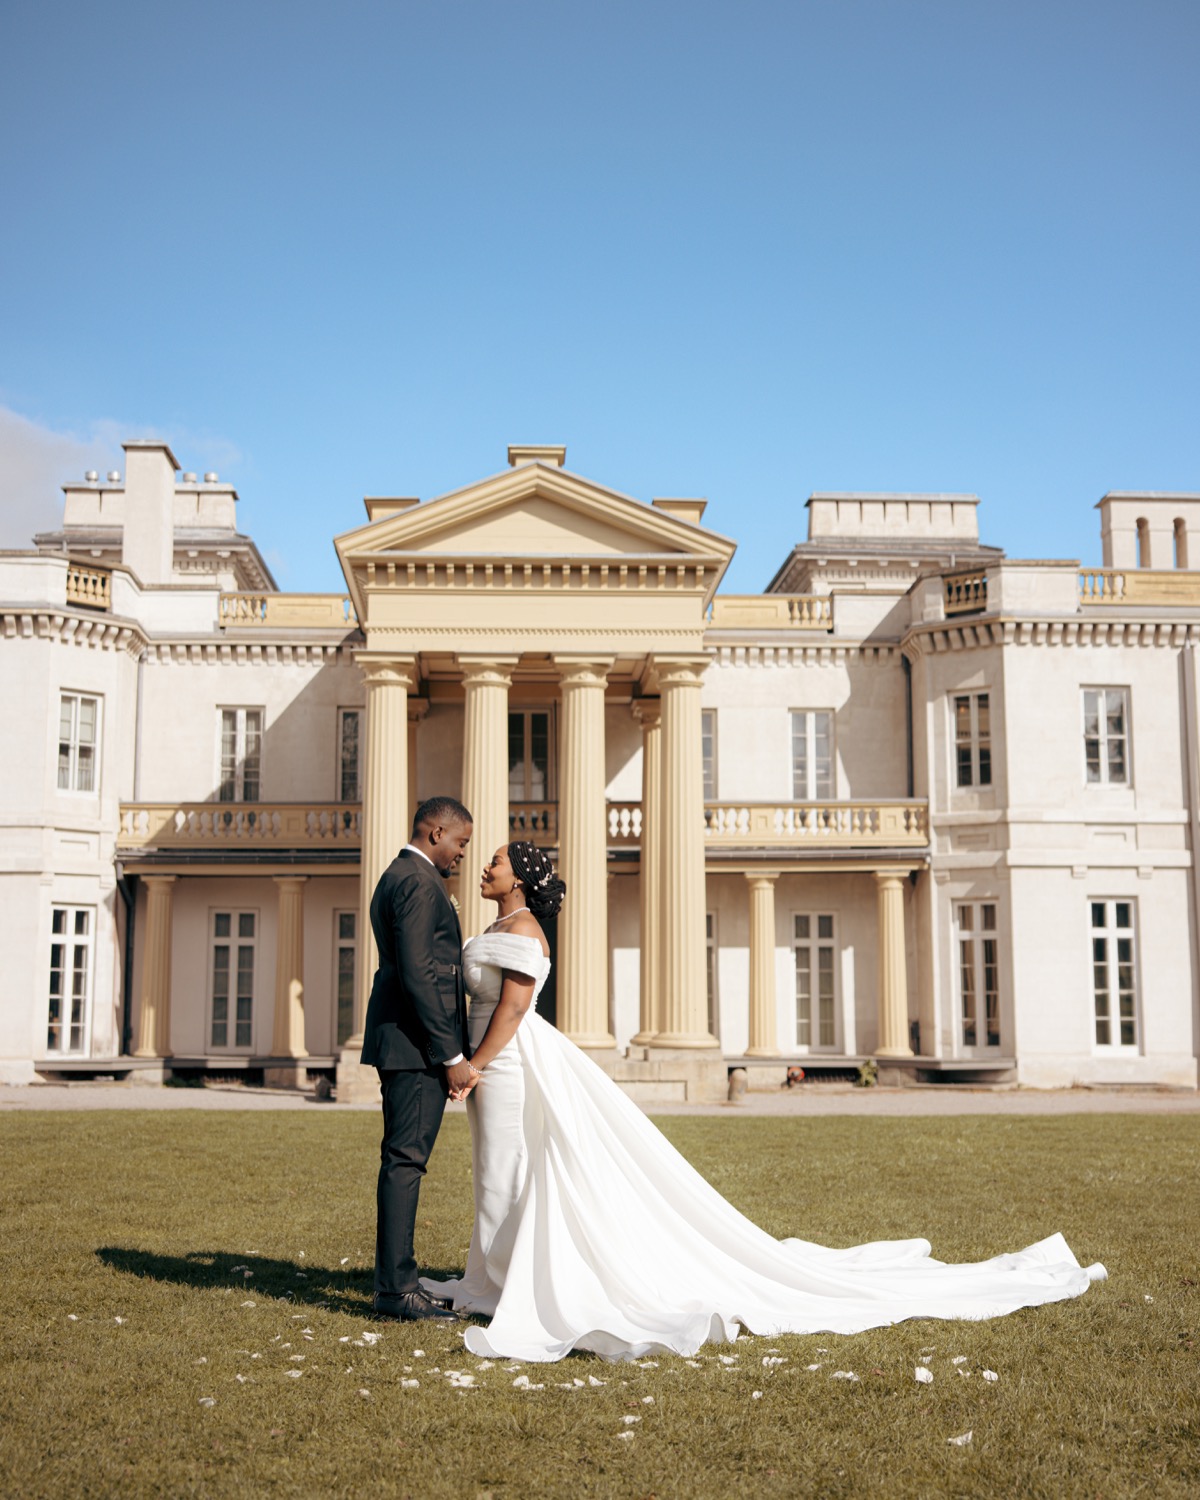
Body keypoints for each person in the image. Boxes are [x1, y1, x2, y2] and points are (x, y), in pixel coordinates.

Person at [425, 840, 1108, 1363]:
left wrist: (471, 1066)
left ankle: (503, 1285)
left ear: (520, 876)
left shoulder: (523, 935)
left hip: (507, 1060)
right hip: (498, 1063)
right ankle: (490, 1277)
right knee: (497, 1174)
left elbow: (513, 1009)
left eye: (495, 862)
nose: (485, 867)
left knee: (508, 1173)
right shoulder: (509, 925)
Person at [361, 796, 475, 1323]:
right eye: (460, 843)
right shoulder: (418, 880)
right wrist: (449, 1053)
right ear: (436, 832)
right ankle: (397, 1290)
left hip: (405, 1041)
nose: (461, 855)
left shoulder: (400, 875)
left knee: (403, 1159)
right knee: (406, 1161)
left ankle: (397, 1282)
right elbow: (418, 973)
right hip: (413, 1045)